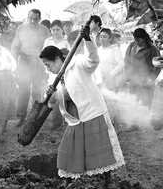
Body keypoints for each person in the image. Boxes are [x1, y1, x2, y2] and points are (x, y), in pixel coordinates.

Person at [39, 25, 125, 179]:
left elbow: (93, 60)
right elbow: (51, 102)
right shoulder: (54, 78)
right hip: (74, 120)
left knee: (100, 153)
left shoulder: (77, 63)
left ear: (58, 59)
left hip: (92, 113)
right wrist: (50, 94)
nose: (47, 69)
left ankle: (105, 182)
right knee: (71, 153)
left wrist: (87, 40)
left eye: (48, 65)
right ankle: (77, 180)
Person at [11, 9, 50, 126]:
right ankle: (20, 116)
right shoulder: (21, 28)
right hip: (24, 61)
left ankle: (34, 117)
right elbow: (15, 46)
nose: (33, 21)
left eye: (36, 19)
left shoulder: (44, 30)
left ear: (40, 19)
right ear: (28, 17)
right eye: (31, 18)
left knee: (37, 90)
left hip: (39, 62)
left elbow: (49, 46)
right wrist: (14, 62)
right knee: (23, 90)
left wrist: (46, 63)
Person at [124, 28, 160, 108]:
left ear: (144, 38)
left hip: (146, 83)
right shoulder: (131, 46)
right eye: (135, 39)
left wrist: (151, 79)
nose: (137, 42)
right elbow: (126, 61)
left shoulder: (152, 49)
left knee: (145, 105)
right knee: (133, 103)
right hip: (133, 81)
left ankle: (145, 119)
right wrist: (127, 76)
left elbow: (158, 66)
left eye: (139, 40)